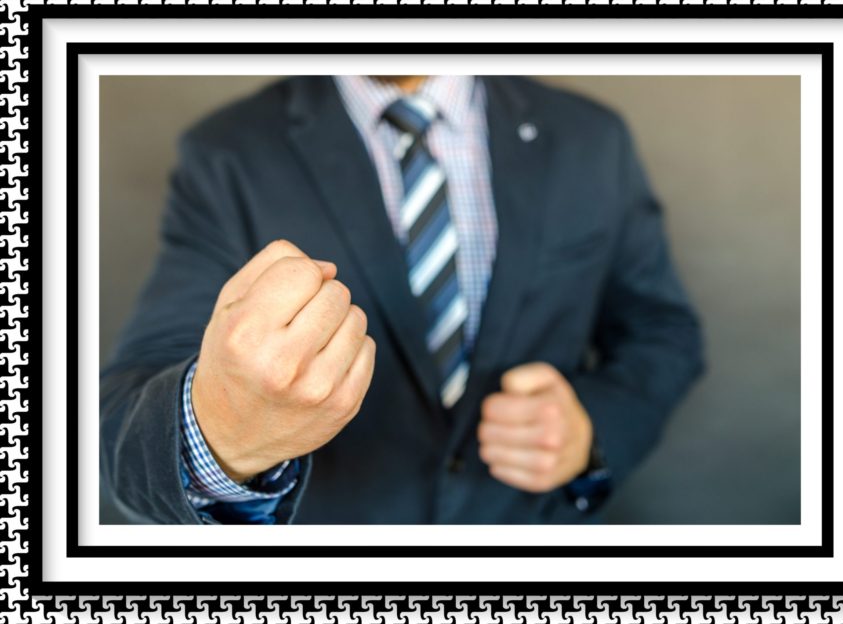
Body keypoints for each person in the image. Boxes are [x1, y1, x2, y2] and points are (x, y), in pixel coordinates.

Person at [100, 75, 704, 525]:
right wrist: (223, 433)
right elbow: (127, 424)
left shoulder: (591, 137)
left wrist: (591, 430)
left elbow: (662, 331)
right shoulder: (228, 153)